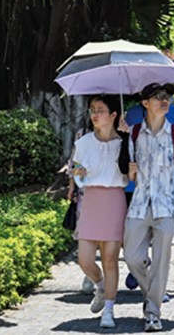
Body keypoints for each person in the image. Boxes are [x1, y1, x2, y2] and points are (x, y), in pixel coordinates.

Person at [125, 82, 174, 332]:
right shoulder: (134, 133)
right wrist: (130, 173)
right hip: (139, 205)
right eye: (157, 97)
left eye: (166, 96)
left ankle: (153, 311)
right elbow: (127, 178)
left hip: (167, 205)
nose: (163, 100)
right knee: (133, 258)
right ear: (145, 103)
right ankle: (153, 292)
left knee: (161, 260)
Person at [69, 95, 128, 328]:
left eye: (100, 110)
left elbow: (130, 172)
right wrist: (77, 176)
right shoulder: (83, 143)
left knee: (111, 258)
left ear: (113, 115)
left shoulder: (125, 142)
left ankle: (109, 311)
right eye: (92, 110)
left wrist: (128, 136)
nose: (95, 114)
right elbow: (76, 169)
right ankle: (101, 286)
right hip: (91, 199)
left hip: (114, 199)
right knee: (85, 260)